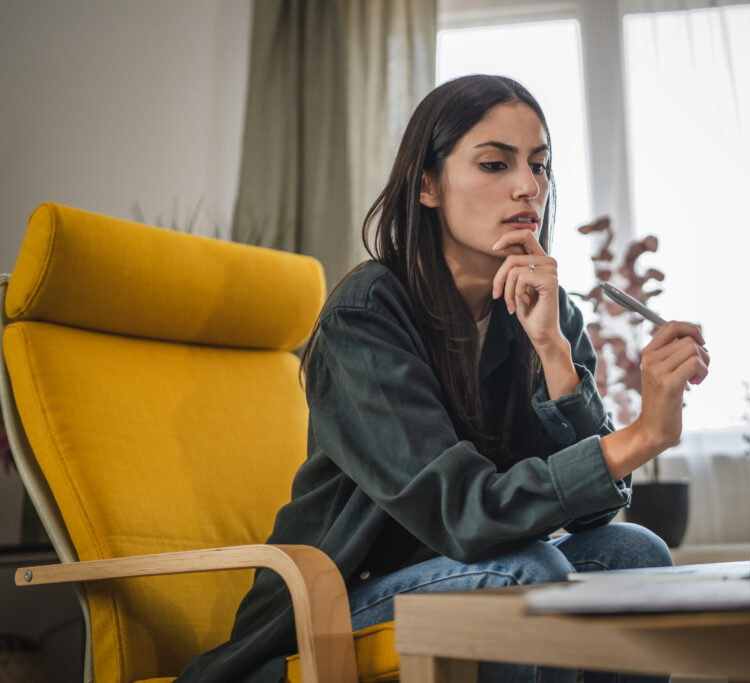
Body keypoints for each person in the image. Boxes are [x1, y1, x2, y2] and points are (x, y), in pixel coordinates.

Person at [178, 74, 709, 683]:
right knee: (525, 576)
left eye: (539, 166)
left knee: (635, 555)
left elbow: (592, 521)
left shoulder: (548, 312)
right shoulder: (367, 313)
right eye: (493, 164)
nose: (526, 187)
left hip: (467, 570)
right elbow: (463, 515)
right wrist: (642, 437)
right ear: (427, 184)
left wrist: (555, 358)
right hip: (338, 603)